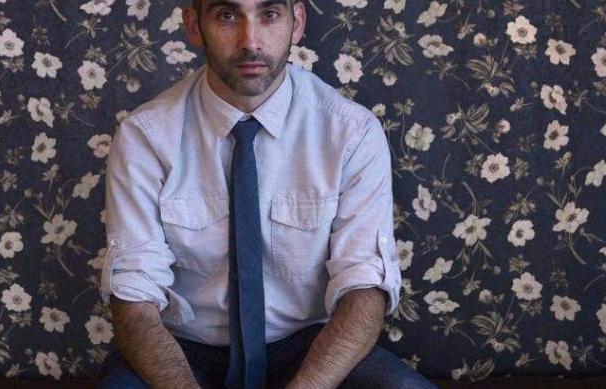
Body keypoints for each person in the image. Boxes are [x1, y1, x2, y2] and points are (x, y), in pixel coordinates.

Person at [98, 0, 437, 388]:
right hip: (185, 351)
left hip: (308, 348)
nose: (250, 41)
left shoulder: (352, 132)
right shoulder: (145, 137)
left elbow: (364, 289)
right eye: (227, 16)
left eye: (269, 15)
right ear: (194, 26)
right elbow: (133, 300)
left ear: (297, 23)